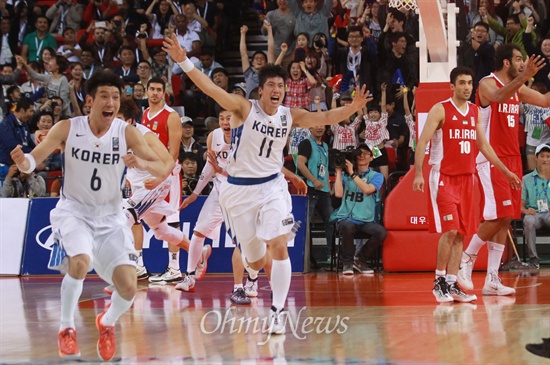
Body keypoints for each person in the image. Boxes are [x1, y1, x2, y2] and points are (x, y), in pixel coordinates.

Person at [163, 33, 371, 334]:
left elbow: (325, 115)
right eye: (272, 85)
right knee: (257, 259)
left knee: (278, 246)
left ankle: (278, 310)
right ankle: (251, 271)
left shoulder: (290, 115)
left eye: (282, 86)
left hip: (272, 187)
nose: (278, 90)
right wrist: (183, 60)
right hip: (237, 192)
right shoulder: (242, 109)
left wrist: (354, 107)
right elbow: (210, 88)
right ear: (260, 91)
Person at [10, 70, 171, 361]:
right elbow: (34, 159)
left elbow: (162, 169)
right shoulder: (68, 128)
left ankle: (106, 323)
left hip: (110, 218)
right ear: (89, 101)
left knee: (129, 285)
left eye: (115, 97)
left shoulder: (127, 132)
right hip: (74, 212)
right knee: (81, 261)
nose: (111, 102)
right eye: (104, 96)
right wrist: (24, 162)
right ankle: (66, 329)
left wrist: (142, 162)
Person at [413, 66, 520, 303]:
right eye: (462, 83)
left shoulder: (474, 112)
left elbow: (484, 146)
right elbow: (422, 141)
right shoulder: (440, 109)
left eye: (470, 83)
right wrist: (419, 173)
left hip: (467, 179)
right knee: (450, 231)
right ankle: (439, 281)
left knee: (461, 234)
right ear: (452, 86)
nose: (467, 87)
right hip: (443, 178)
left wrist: (506, 171)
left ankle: (452, 284)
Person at [458, 44, 549, 296]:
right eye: (519, 59)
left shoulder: (518, 87)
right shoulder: (487, 83)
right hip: (491, 159)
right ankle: (466, 258)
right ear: (506, 63)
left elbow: (543, 100)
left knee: (507, 217)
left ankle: (492, 279)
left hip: (512, 158)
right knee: (497, 216)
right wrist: (523, 77)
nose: (522, 63)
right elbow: (498, 96)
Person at [140, 77, 185, 284]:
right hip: (150, 172)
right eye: (152, 89)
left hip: (169, 174)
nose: (156, 93)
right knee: (147, 217)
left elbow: (174, 153)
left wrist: (162, 176)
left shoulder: (172, 116)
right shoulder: (145, 114)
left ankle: (175, 268)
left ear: (164, 92)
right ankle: (139, 265)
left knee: (172, 218)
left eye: (159, 89)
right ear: (146, 92)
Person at [330, 143, 387, 275]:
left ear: (371, 158)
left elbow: (367, 190)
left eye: (366, 153)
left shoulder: (376, 176)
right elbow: (338, 194)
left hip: (365, 219)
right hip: (346, 217)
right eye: (359, 153)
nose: (362, 156)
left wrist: (352, 174)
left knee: (381, 232)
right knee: (348, 226)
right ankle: (347, 263)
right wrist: (339, 172)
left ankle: (360, 259)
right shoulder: (345, 175)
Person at [297, 124, 333, 269]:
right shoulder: (306, 143)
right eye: (316, 125)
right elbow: (300, 164)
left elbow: (323, 166)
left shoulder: (324, 145)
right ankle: (306, 258)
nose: (319, 128)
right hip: (310, 189)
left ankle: (331, 254)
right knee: (306, 224)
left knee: (330, 222)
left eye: (322, 125)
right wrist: (313, 180)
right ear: (309, 128)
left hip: (323, 191)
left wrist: (328, 187)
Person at [521, 143, 550, 269]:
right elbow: (520, 205)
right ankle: (534, 259)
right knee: (528, 220)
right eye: (542, 156)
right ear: (536, 158)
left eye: (548, 157)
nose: (545, 159)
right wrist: (526, 210)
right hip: (534, 213)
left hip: (548, 213)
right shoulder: (526, 179)